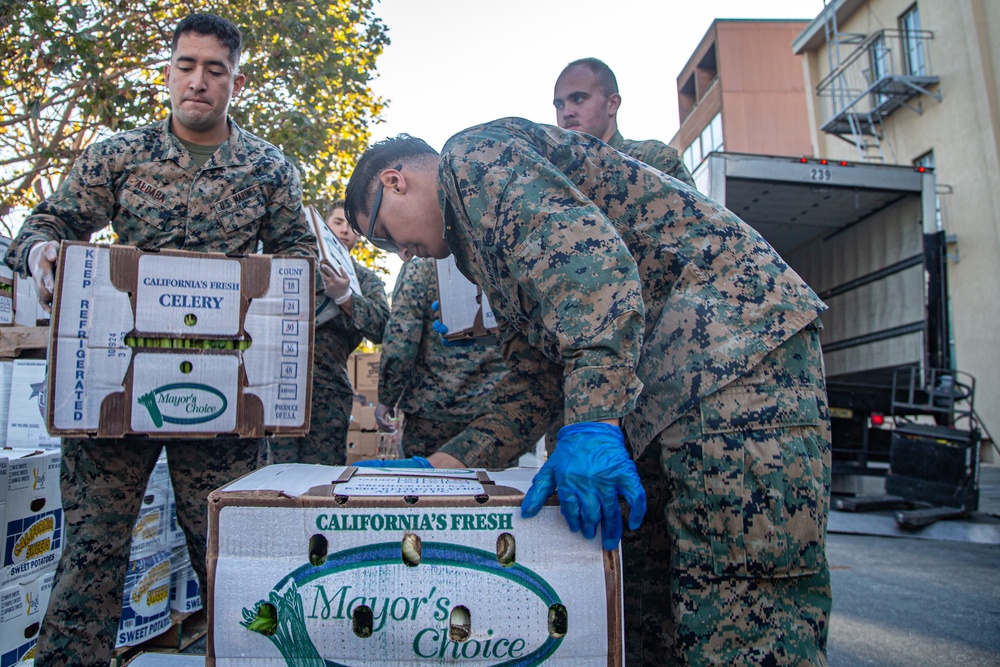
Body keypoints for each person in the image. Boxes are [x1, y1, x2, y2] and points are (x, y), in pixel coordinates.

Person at [343, 119, 831, 666]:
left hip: (733, 348)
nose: (401, 255)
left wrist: (594, 420)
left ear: (395, 180)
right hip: (669, 385)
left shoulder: (470, 158)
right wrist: (446, 464)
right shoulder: (478, 250)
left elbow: (591, 274)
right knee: (645, 601)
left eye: (382, 236)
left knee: (740, 599)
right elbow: (534, 381)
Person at [4, 14, 321, 665]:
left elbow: (299, 263)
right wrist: (41, 260)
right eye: (186, 65)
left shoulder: (268, 168)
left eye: (214, 69)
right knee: (91, 558)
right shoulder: (119, 155)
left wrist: (288, 296)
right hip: (115, 389)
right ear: (169, 71)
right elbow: (45, 224)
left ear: (236, 80)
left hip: (224, 400)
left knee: (229, 560)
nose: (197, 81)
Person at [375, 256, 537, 460]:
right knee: (490, 486)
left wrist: (386, 398)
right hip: (494, 407)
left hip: (433, 411)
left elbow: (401, 339)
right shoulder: (499, 257)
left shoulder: (421, 266)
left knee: (428, 486)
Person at [270, 201, 389, 465]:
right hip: (274, 385)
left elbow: (383, 327)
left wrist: (346, 297)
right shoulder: (292, 263)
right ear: (322, 227)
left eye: (353, 227)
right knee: (270, 476)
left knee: (319, 478)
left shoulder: (364, 279)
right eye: (337, 222)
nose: (345, 230)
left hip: (328, 392)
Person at [554, 57, 695, 187]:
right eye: (560, 105)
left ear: (612, 104)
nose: (566, 113)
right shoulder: (553, 176)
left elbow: (698, 213)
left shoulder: (652, 161)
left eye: (578, 99)